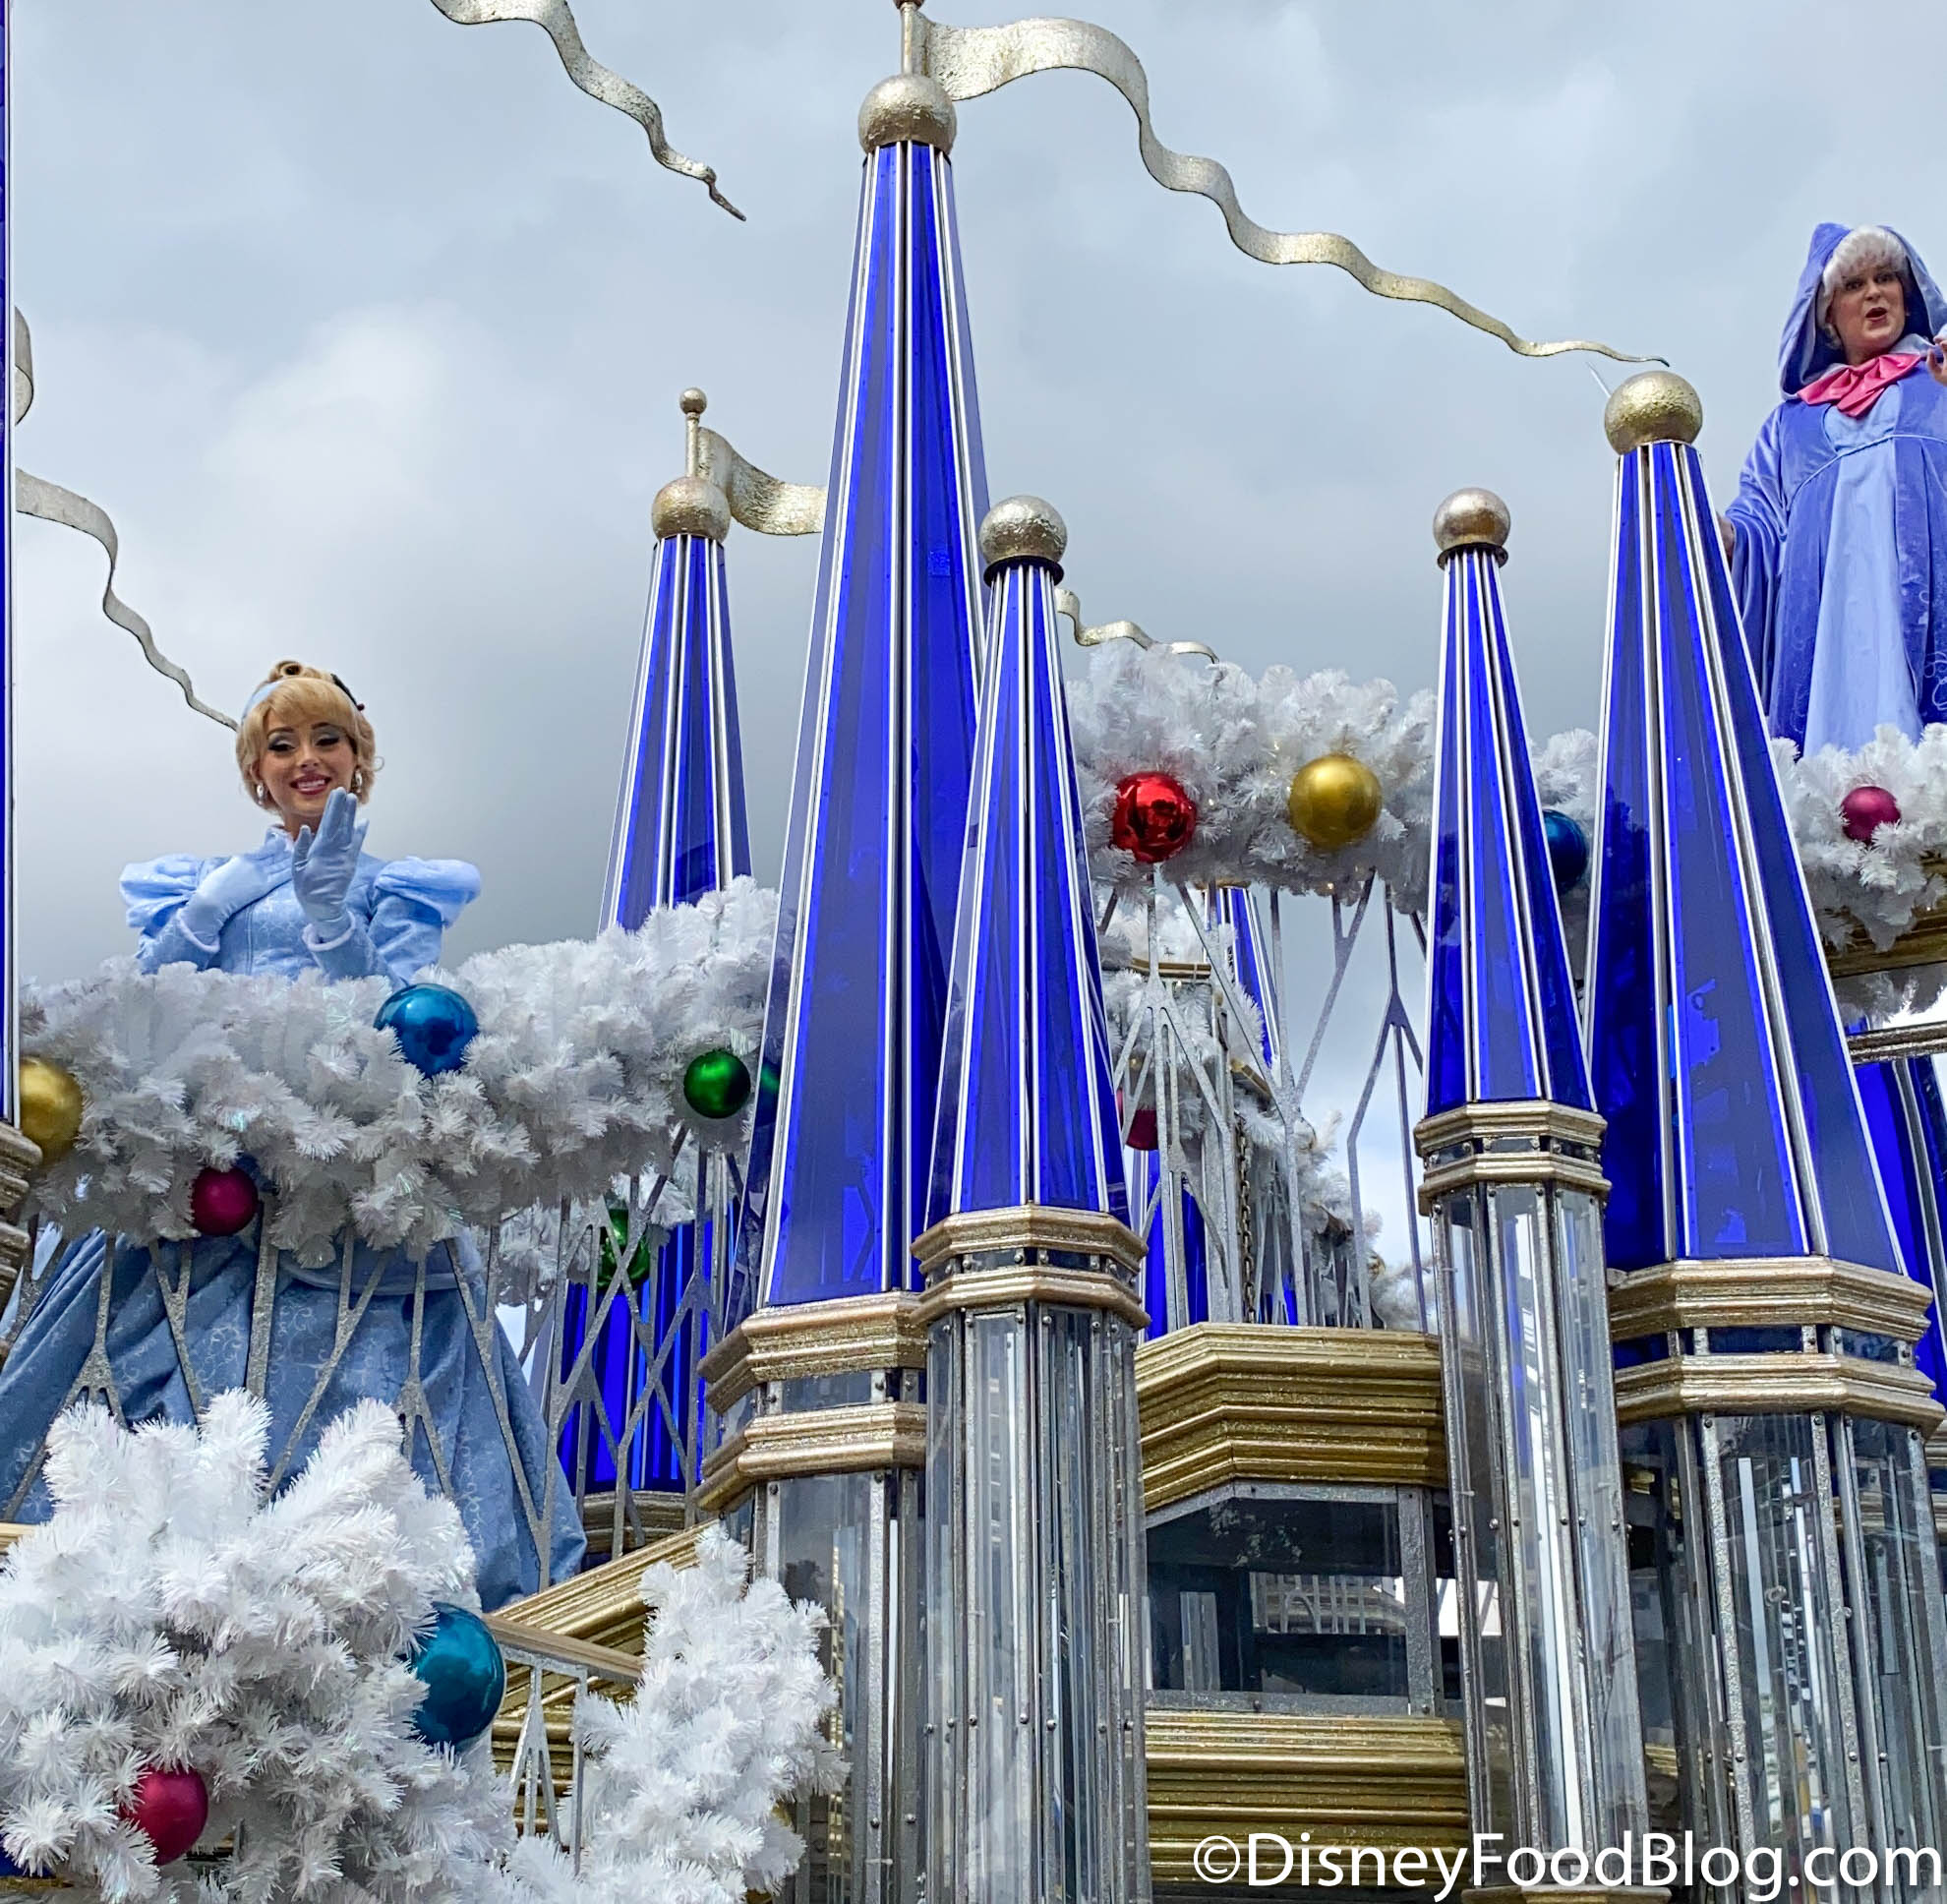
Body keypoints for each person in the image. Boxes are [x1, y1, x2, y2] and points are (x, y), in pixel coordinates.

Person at [0, 662, 584, 1606]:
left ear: (359, 761)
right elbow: (146, 997)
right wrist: (207, 909)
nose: (307, 759)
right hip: (213, 1166)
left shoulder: (396, 889)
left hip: (344, 1166)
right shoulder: (199, 885)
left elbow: (405, 1022)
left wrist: (330, 918)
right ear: (256, 773)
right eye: (282, 745)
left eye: (327, 740)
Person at [1726, 223, 1947, 754]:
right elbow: (1761, 523)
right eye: (1854, 285)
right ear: (1826, 317)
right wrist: (1721, 535)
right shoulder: (1790, 425)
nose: (1874, 293)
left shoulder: (1939, 378)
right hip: (1831, 639)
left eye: (1886, 278)